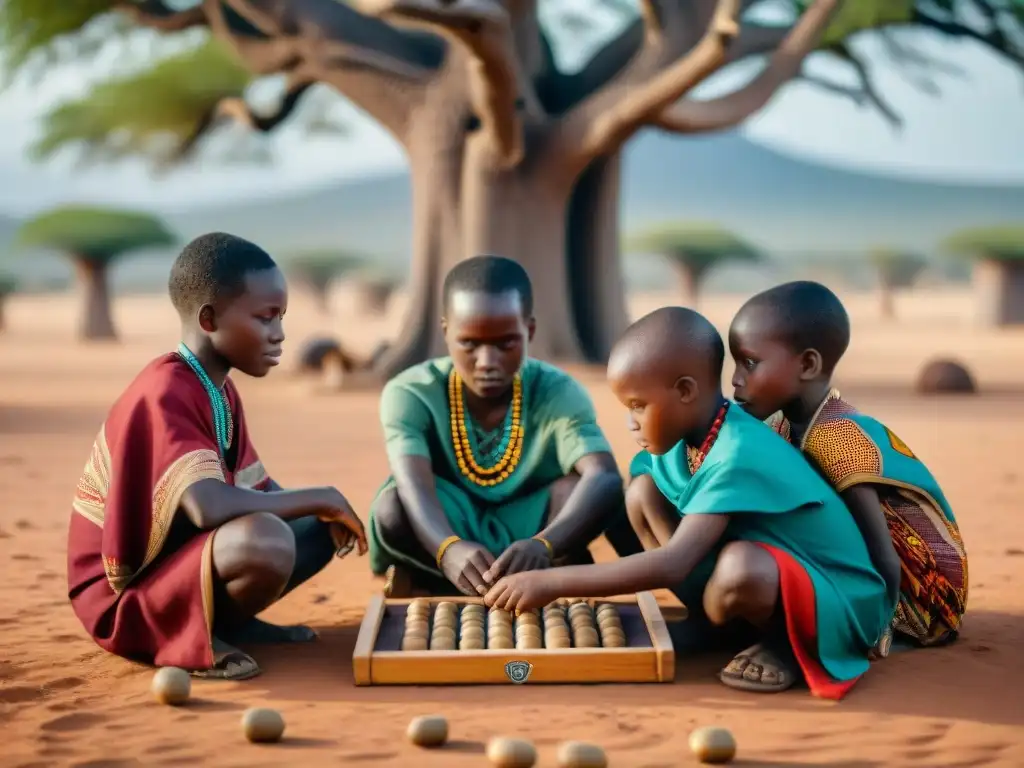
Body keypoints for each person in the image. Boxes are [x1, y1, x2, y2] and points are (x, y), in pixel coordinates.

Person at [485, 307, 893, 699]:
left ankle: (782, 645)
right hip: (759, 574)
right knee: (642, 494)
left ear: (685, 391)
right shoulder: (687, 442)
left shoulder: (738, 451)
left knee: (741, 568)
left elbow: (675, 561)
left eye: (638, 406)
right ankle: (716, 626)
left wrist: (551, 583)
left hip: (834, 599)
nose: (631, 422)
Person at [67, 232, 367, 681]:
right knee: (266, 539)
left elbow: (254, 489)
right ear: (208, 319)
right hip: (125, 598)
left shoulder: (218, 389)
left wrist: (323, 510)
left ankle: (229, 621)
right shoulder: (166, 389)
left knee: (317, 528)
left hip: (178, 561)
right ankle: (181, 636)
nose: (279, 334)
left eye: (281, 317)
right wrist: (319, 495)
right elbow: (208, 506)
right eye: (266, 318)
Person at [369, 255, 640, 597]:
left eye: (505, 343)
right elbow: (414, 487)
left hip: (531, 532)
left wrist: (544, 544)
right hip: (447, 526)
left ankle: (516, 574)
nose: (487, 362)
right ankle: (448, 575)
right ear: (445, 331)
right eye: (469, 343)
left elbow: (603, 475)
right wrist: (447, 549)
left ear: (529, 331)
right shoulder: (411, 392)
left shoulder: (557, 390)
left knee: (584, 491)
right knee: (392, 506)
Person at [728, 280, 967, 652]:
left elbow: (882, 552)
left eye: (750, 363)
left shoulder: (839, 439)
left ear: (808, 364)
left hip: (916, 596)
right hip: (851, 562)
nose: (736, 379)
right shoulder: (781, 425)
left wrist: (871, 628)